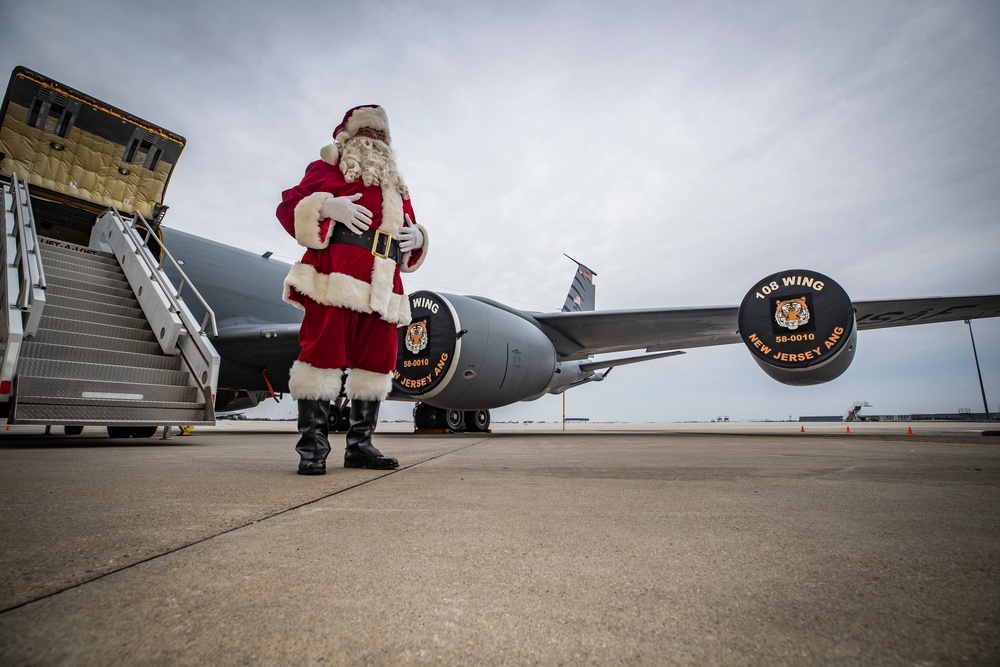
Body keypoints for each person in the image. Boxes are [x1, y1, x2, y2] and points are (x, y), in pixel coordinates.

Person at [276, 105, 428, 474]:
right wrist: (327, 206)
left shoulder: (396, 185)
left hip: (384, 283)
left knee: (377, 363)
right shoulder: (327, 168)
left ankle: (360, 446)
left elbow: (409, 229)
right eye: (367, 133)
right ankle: (312, 448)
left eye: (381, 136)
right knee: (322, 355)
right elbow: (288, 207)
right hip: (335, 277)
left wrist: (419, 236)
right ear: (349, 136)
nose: (374, 141)